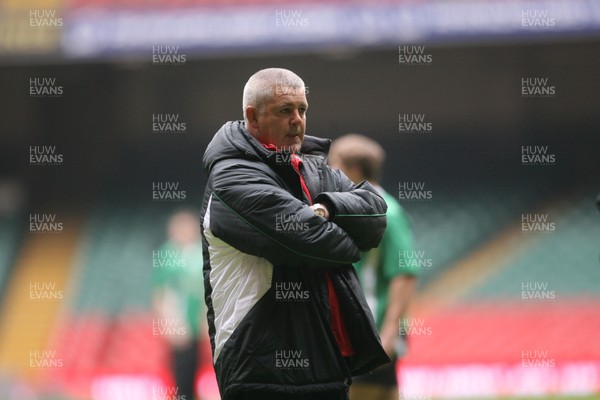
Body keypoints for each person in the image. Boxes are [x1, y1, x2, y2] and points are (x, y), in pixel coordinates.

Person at [200, 68, 390, 400]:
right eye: (285, 111)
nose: (297, 120)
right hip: (262, 372)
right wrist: (348, 241)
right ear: (253, 117)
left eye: (302, 110)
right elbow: (309, 243)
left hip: (328, 365)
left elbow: (375, 214)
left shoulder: (313, 168)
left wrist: (327, 208)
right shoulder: (232, 177)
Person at [329, 134, 418, 400]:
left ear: (354, 170)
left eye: (334, 165)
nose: (328, 172)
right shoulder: (358, 209)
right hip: (359, 330)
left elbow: (404, 273)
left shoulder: (386, 212)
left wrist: (389, 333)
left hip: (372, 331)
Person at [152, 210, 205, 400]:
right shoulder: (168, 255)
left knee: (196, 371)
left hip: (198, 325)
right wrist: (170, 325)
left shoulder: (199, 252)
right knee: (182, 376)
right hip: (179, 326)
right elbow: (161, 294)